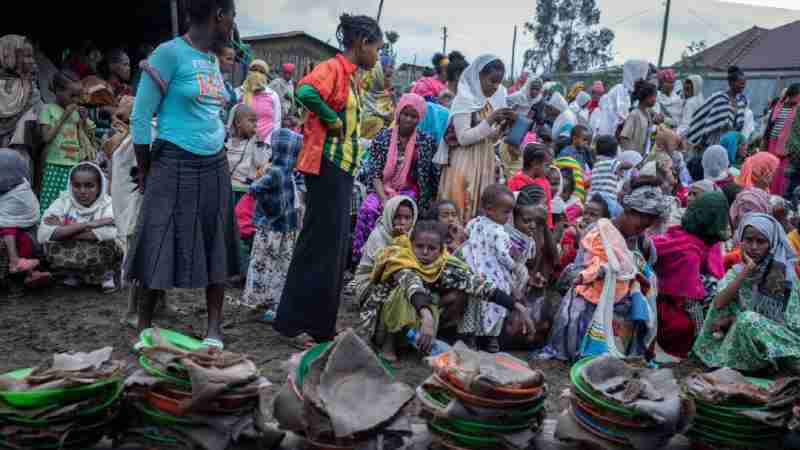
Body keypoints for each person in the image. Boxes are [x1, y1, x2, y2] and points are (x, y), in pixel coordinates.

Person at [129, 0, 240, 349]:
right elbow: (139, 117)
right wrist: (146, 168)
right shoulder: (169, 54)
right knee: (158, 237)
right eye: (232, 17)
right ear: (220, 16)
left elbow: (210, 113)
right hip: (173, 160)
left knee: (216, 240)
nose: (233, 25)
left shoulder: (211, 60)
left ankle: (213, 330)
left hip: (214, 163)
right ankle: (145, 326)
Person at [276, 14, 384, 349]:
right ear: (362, 43)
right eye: (376, 48)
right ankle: (293, 325)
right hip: (326, 165)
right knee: (316, 245)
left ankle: (321, 325)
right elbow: (306, 90)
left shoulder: (352, 77)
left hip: (342, 168)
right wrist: (329, 119)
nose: (377, 56)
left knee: (334, 249)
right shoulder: (334, 68)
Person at [539, 176, 665, 361]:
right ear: (629, 212)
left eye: (646, 227)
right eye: (640, 224)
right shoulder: (598, 232)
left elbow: (645, 272)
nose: (641, 230)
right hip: (591, 296)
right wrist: (602, 273)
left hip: (622, 298)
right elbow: (580, 270)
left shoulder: (641, 241)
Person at [360, 220, 520, 360]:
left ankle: (423, 340)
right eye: (419, 246)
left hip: (422, 317)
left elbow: (477, 284)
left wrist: (516, 306)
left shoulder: (444, 263)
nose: (424, 252)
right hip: (385, 322)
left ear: (441, 249)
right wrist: (427, 317)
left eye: (431, 248)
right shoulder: (400, 259)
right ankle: (389, 344)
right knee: (400, 292)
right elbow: (412, 285)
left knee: (464, 291)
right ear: (411, 244)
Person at [694, 213, 800, 372]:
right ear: (741, 241)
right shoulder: (736, 271)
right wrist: (746, 271)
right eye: (749, 240)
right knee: (727, 310)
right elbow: (719, 303)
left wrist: (735, 319)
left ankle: (779, 361)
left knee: (747, 319)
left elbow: (789, 323)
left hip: (782, 338)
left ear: (771, 244)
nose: (754, 247)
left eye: (761, 241)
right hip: (746, 334)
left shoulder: (783, 275)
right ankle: (751, 363)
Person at [352, 93, 438, 264]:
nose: (408, 119)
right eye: (405, 114)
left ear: (420, 118)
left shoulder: (425, 141)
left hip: (409, 189)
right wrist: (383, 199)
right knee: (369, 210)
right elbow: (374, 173)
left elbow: (430, 174)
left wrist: (432, 199)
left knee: (402, 213)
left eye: (414, 116)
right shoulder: (383, 137)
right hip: (381, 188)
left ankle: (398, 259)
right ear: (398, 113)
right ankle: (365, 259)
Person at [437, 54, 514, 223]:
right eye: (491, 81)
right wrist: (490, 120)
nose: (495, 87)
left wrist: (502, 127)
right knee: (462, 205)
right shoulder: (464, 99)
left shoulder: (486, 102)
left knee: (478, 209)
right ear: (478, 76)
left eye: (498, 82)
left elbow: (489, 138)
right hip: (464, 162)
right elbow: (463, 137)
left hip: (483, 160)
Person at [653, 191, 729, 359]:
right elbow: (690, 300)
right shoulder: (690, 252)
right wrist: (701, 337)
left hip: (667, 300)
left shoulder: (682, 235)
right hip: (669, 309)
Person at [241, 129, 302, 321]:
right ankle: (260, 304)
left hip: (286, 230)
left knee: (279, 267)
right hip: (272, 231)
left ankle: (272, 304)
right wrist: (271, 207)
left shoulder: (290, 173)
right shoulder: (275, 172)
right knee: (266, 265)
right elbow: (255, 188)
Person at [38, 162, 121, 293]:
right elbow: (44, 233)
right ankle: (75, 273)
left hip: (99, 253)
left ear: (99, 187)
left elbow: (110, 233)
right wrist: (87, 225)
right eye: (77, 186)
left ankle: (104, 275)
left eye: (89, 186)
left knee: (107, 244)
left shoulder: (108, 204)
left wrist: (64, 228)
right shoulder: (62, 202)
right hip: (78, 250)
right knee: (50, 245)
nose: (82, 191)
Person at [458, 184, 522, 352]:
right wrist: (514, 266)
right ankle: (491, 338)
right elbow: (502, 255)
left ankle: (470, 338)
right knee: (497, 305)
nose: (508, 217)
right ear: (489, 209)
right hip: (494, 274)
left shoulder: (474, 222)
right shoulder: (500, 232)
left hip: (474, 270)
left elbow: (465, 236)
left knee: (474, 305)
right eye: (506, 212)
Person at [38, 70, 96, 214]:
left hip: (74, 165)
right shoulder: (48, 109)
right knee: (51, 201)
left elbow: (87, 137)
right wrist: (65, 116)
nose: (75, 100)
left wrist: (83, 120)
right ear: (58, 91)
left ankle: (69, 229)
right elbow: (46, 138)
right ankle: (47, 229)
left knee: (71, 203)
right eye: (72, 95)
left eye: (78, 96)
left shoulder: (75, 112)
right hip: (54, 164)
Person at [352, 195, 418, 305]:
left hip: (400, 280)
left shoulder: (414, 235)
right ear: (389, 216)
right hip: (371, 284)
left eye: (407, 218)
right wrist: (398, 241)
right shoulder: (378, 235)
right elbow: (384, 267)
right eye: (397, 217)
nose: (402, 222)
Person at [0, 149, 45, 297]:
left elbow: (9, 220)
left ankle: (20, 274)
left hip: (23, 233)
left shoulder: (20, 192)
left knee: (14, 234)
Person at [556, 193, 621, 281]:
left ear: (604, 219)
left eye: (593, 215)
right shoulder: (573, 232)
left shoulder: (606, 237)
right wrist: (577, 242)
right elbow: (561, 263)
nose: (586, 217)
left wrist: (582, 239)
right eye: (585, 213)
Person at [687, 66, 748, 148]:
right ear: (731, 83)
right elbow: (705, 117)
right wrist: (701, 138)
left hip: (731, 144)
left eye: (744, 84)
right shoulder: (719, 98)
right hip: (715, 141)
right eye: (740, 83)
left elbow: (739, 126)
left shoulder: (741, 102)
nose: (742, 86)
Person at [592, 60, 654, 137]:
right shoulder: (619, 90)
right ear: (635, 73)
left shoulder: (636, 94)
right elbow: (622, 117)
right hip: (609, 135)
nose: (645, 78)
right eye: (643, 74)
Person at [0, 35, 40, 150]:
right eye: (27, 56)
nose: (32, 61)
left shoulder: (30, 88)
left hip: (18, 153)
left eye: (32, 56)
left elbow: (37, 116)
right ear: (8, 56)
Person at [763, 83, 800, 196]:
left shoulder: (797, 109)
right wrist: (765, 141)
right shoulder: (779, 105)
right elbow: (770, 125)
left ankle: (776, 197)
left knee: (780, 175)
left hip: (787, 147)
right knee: (769, 171)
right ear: (792, 94)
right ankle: (765, 194)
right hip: (772, 143)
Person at [508, 143, 554, 228]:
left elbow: (548, 210)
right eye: (547, 165)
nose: (549, 169)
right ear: (535, 164)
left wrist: (548, 228)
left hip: (540, 228)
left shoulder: (545, 183)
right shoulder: (514, 182)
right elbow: (511, 209)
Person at [239, 60, 282, 143]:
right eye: (254, 70)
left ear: (265, 75)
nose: (257, 74)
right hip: (243, 142)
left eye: (261, 72)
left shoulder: (272, 95)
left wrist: (269, 142)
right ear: (249, 72)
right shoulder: (240, 92)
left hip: (266, 142)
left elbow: (277, 122)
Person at [360, 54, 396, 141]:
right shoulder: (365, 91)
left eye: (393, 67)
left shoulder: (386, 93)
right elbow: (391, 116)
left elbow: (393, 115)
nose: (392, 70)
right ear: (378, 72)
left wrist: (393, 99)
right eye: (389, 67)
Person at [620, 80, 656, 155]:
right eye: (653, 96)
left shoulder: (647, 113)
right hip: (634, 158)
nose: (654, 99)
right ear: (646, 97)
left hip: (642, 156)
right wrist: (632, 156)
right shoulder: (634, 115)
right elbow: (624, 137)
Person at [677, 75, 704, 140]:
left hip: (687, 137)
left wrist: (675, 135)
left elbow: (685, 125)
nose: (685, 92)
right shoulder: (700, 98)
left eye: (688, 89)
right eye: (685, 89)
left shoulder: (690, 103)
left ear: (695, 88)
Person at [217, 44, 238, 123]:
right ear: (217, 58)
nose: (232, 63)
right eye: (228, 59)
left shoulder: (228, 86)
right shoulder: (208, 82)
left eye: (233, 59)